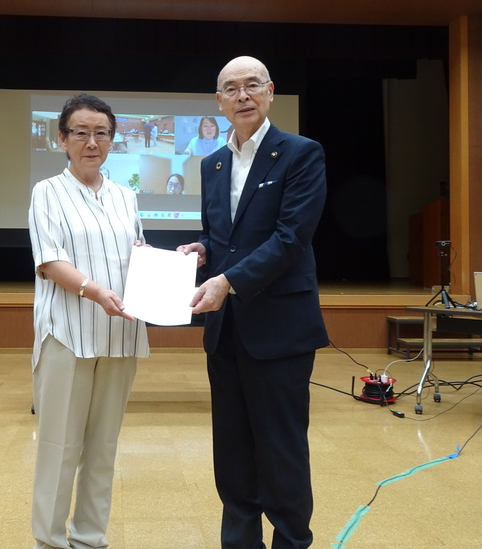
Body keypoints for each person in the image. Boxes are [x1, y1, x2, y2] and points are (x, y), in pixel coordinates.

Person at [177, 56, 328, 549]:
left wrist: (227, 280)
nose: (242, 96)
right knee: (233, 453)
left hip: (280, 327)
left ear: (270, 91)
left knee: (281, 450)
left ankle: (291, 542)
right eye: (231, 88)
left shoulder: (301, 153)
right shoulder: (212, 163)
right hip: (227, 330)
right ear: (218, 101)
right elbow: (223, 235)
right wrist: (204, 251)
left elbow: (291, 238)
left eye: (252, 85)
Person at [28, 93, 149, 549]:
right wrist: (96, 291)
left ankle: (89, 539)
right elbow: (49, 261)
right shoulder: (47, 192)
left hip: (120, 335)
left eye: (101, 133)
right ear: (62, 139)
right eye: (81, 132)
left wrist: (172, 265)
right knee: (59, 448)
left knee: (103, 448)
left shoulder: (126, 197)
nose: (91, 142)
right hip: (67, 335)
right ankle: (49, 542)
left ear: (113, 140)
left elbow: (137, 256)